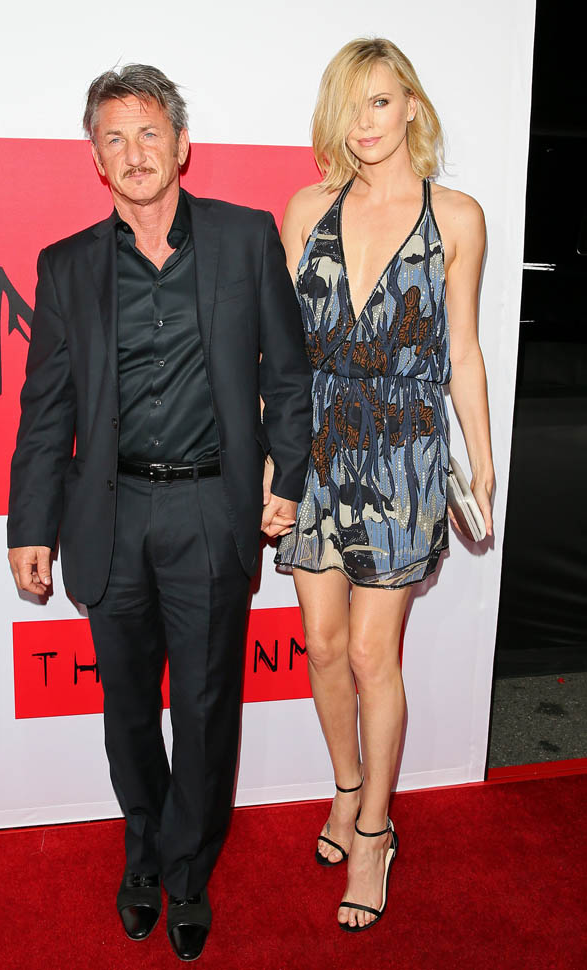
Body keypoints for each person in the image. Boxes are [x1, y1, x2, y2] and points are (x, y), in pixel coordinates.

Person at [7, 64, 311, 962]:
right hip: (111, 514)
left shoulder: (245, 238)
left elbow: (290, 373)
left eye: (149, 133)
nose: (134, 153)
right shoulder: (66, 266)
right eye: (115, 138)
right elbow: (46, 410)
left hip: (212, 509)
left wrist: (288, 474)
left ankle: (187, 871)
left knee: (209, 707)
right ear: (95, 159)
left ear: (181, 145)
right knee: (131, 706)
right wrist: (31, 524)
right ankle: (143, 851)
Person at [276, 38, 494, 932]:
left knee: (373, 655)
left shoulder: (458, 217)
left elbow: (464, 351)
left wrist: (483, 459)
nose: (364, 122)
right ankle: (344, 788)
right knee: (324, 646)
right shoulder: (306, 209)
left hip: (404, 455)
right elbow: (282, 355)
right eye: (350, 104)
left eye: (379, 101)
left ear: (411, 105)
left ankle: (374, 832)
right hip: (318, 450)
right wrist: (273, 461)